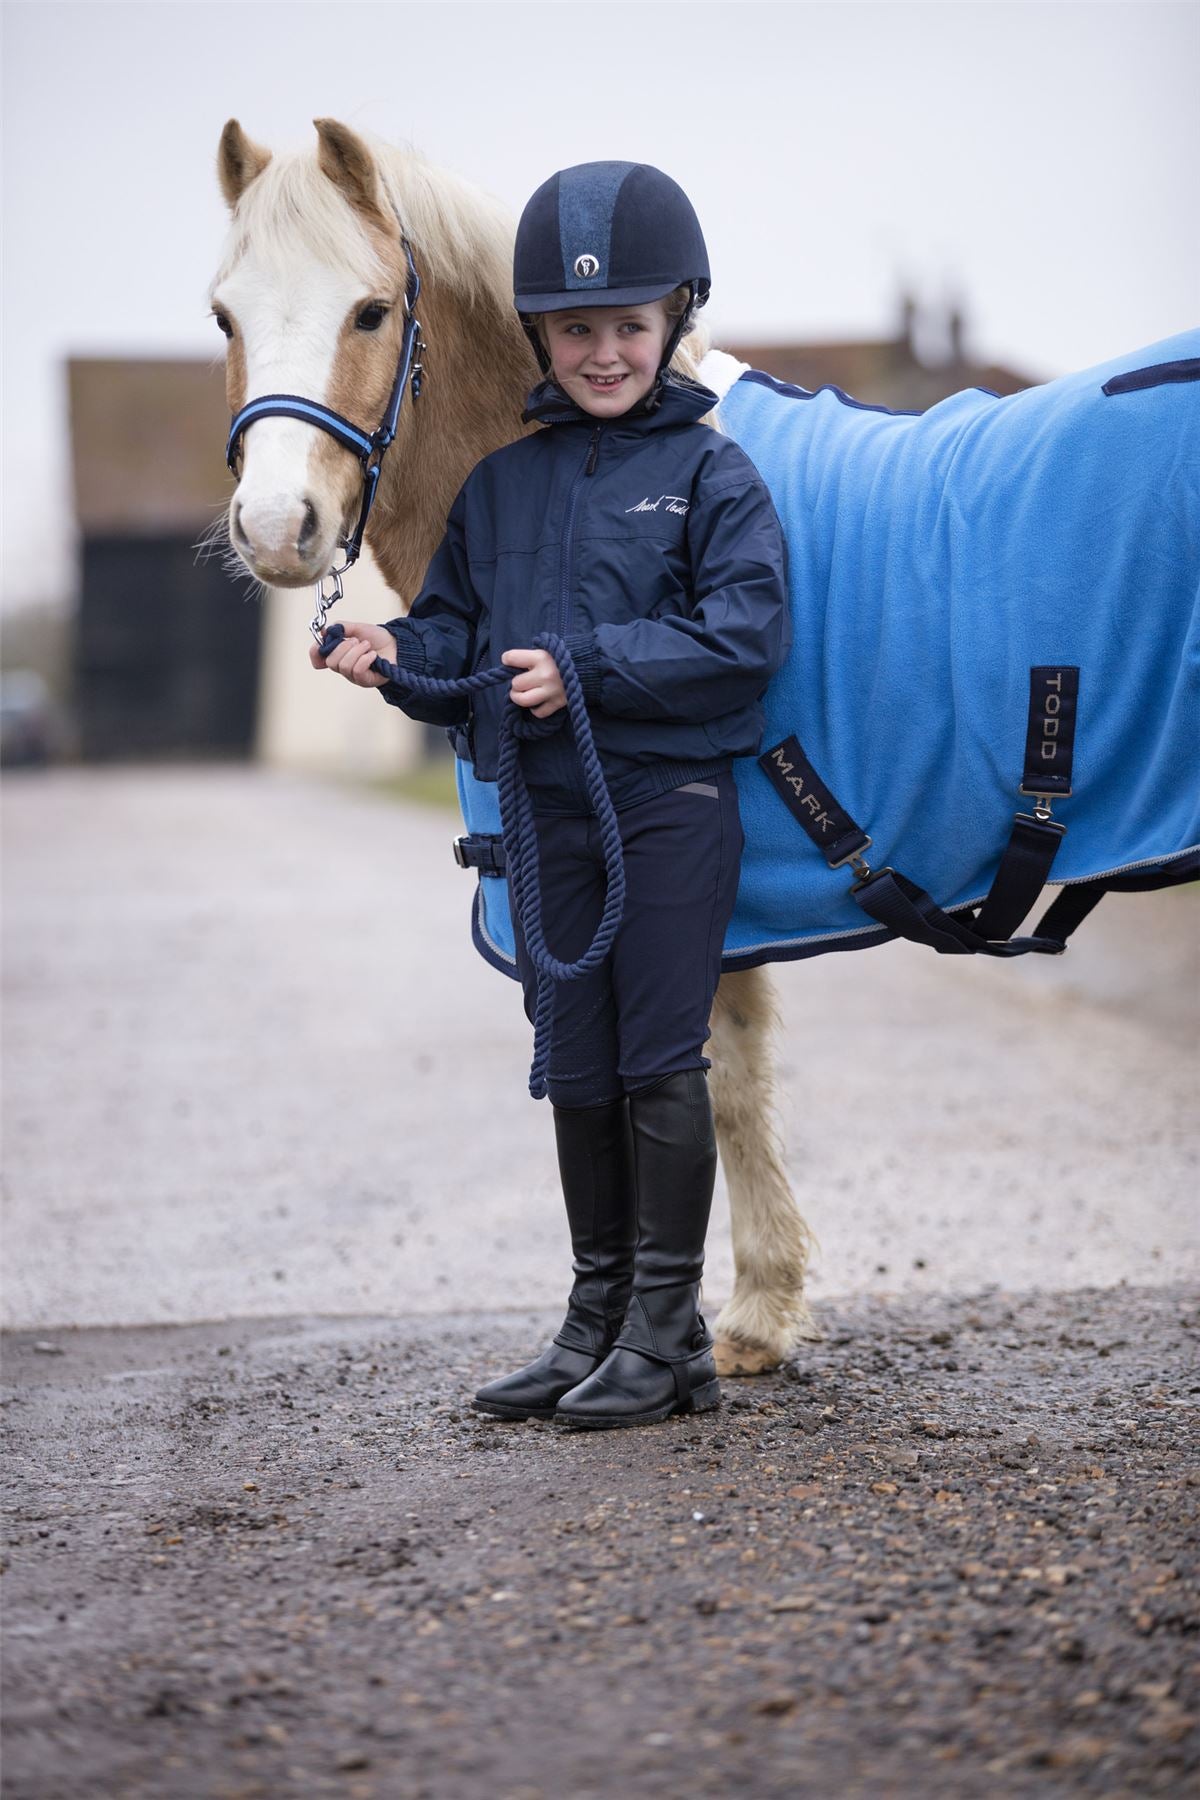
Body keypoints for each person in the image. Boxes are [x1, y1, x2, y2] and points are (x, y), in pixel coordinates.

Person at [312, 162, 790, 1429]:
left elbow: (745, 640)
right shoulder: (501, 487)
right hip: (548, 813)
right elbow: (462, 639)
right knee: (571, 1061)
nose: (603, 351)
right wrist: (393, 657)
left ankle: (666, 1333)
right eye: (576, 329)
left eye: (628, 325)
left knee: (656, 1059)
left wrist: (583, 667)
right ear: (539, 333)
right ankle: (597, 1319)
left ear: (673, 321)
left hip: (667, 807)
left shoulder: (710, 477)